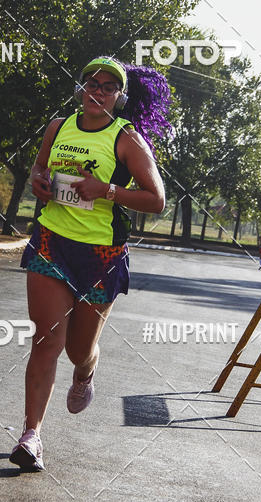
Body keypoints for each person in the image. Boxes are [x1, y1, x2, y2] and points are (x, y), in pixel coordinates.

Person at [10, 56, 171, 471]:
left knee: (77, 350)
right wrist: (39, 183)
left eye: (107, 86)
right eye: (91, 83)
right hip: (52, 241)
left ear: (119, 97)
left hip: (101, 254)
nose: (97, 91)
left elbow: (156, 200)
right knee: (47, 341)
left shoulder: (127, 139)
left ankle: (86, 370)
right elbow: (39, 171)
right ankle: (32, 436)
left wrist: (107, 190)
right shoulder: (58, 126)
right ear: (81, 88)